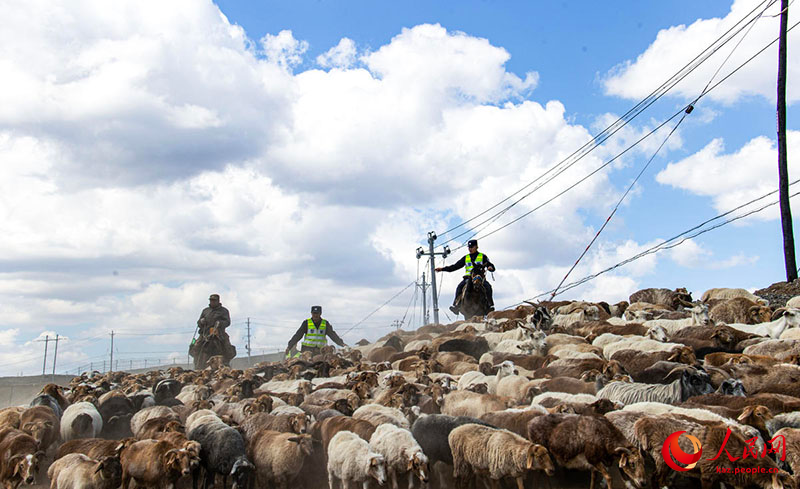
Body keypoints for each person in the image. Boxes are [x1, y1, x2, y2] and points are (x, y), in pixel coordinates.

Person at [435, 239, 495, 315]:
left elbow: (490, 265)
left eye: (472, 247)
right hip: (468, 279)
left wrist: (490, 268)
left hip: (480, 279)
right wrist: (442, 269)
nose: (470, 249)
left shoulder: (482, 256)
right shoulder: (466, 258)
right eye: (469, 247)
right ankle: (456, 306)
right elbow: (455, 266)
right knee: (459, 287)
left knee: (488, 286)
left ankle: (490, 305)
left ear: (476, 247)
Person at [191, 293, 235, 368]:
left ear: (218, 301)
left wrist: (220, 323)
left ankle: (226, 362)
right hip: (205, 333)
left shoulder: (224, 311)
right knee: (195, 346)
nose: (212, 302)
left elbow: (227, 322)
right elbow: (198, 322)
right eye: (211, 300)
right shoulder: (205, 311)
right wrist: (201, 321)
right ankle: (197, 363)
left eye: (214, 300)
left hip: (218, 333)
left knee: (227, 346)